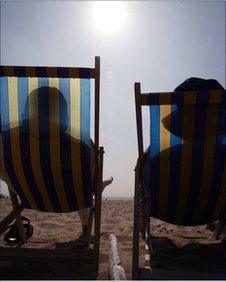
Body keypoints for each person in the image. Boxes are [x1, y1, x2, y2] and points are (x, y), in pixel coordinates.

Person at [0, 86, 113, 237]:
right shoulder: (82, 144)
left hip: (28, 195)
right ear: (65, 116)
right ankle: (86, 229)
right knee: (81, 184)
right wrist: (96, 186)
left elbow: (3, 173)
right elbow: (90, 182)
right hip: (72, 196)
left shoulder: (6, 141)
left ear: (24, 113)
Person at [143, 77, 225, 239]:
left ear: (180, 123)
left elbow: (143, 184)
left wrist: (146, 154)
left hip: (169, 211)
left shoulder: (158, 159)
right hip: (215, 210)